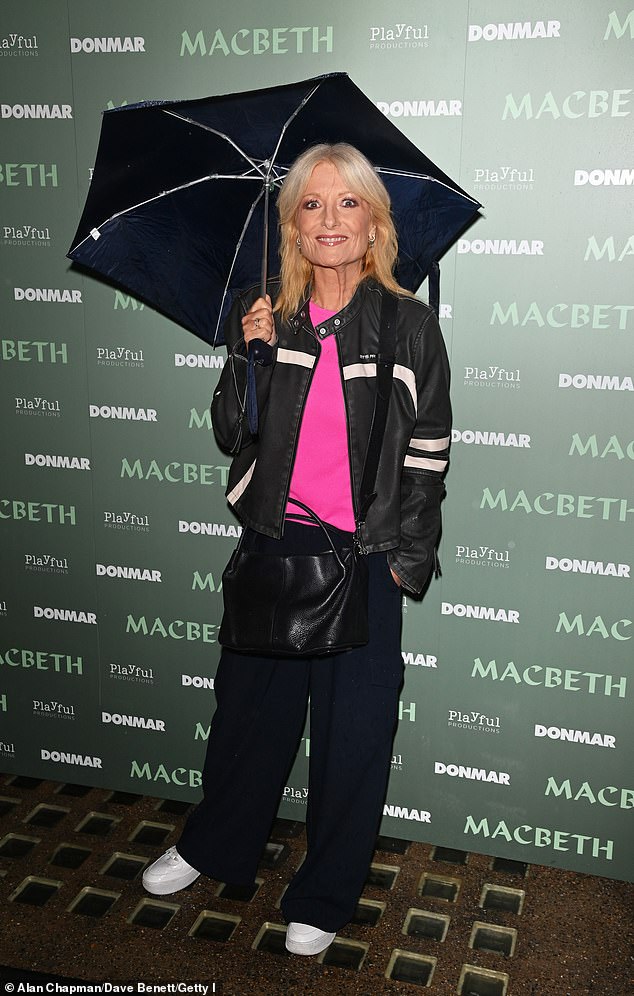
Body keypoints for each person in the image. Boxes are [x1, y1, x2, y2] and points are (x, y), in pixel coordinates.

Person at [142, 143, 451, 955]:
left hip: (364, 557)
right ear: (292, 225)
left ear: (374, 221)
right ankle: (213, 846)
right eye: (311, 206)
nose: (329, 221)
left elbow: (428, 454)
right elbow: (230, 433)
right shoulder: (266, 310)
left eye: (347, 203)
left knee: (353, 736)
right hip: (277, 546)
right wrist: (247, 356)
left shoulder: (409, 323)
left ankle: (325, 892)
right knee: (246, 719)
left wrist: (402, 560)